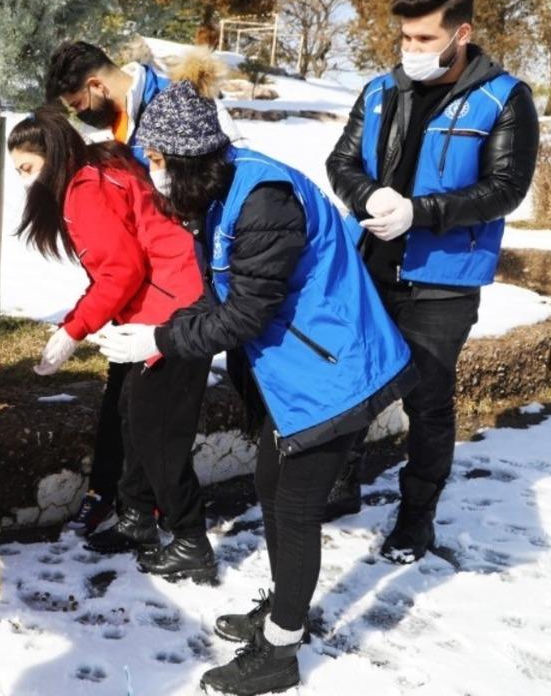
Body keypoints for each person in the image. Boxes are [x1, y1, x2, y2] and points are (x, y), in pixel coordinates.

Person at [92, 81, 417, 695]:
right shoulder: (219, 194)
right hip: (298, 373)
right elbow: (221, 294)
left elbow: (246, 316)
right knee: (271, 486)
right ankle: (283, 611)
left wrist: (160, 344)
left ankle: (280, 652)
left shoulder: (262, 201)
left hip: (334, 373)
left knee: (293, 510)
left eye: (154, 162)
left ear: (177, 159)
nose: (150, 174)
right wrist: (162, 326)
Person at [323, 0, 538, 562]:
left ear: (460, 33)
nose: (410, 50)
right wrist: (366, 197)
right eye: (404, 38)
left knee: (428, 402)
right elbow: (341, 159)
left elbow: (505, 188)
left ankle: (416, 516)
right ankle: (340, 484)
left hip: (442, 281)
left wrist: (421, 212)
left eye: (423, 39)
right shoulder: (379, 91)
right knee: (352, 384)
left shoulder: (504, 97)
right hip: (370, 267)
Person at [9, 106, 217, 580]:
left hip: (174, 311)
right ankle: (136, 518)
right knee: (131, 416)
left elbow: (120, 271)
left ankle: (190, 539)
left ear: (53, 154)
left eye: (28, 169)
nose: (25, 182)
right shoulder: (102, 164)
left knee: (158, 433)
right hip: (162, 304)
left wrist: (72, 330)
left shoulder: (84, 190)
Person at [44, 41, 240, 536]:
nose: (80, 117)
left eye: (78, 106)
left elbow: (214, 187)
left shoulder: (173, 105)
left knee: (161, 418)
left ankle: (170, 522)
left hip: (182, 289)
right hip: (138, 294)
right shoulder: (118, 127)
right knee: (125, 403)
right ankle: (121, 501)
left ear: (95, 86)